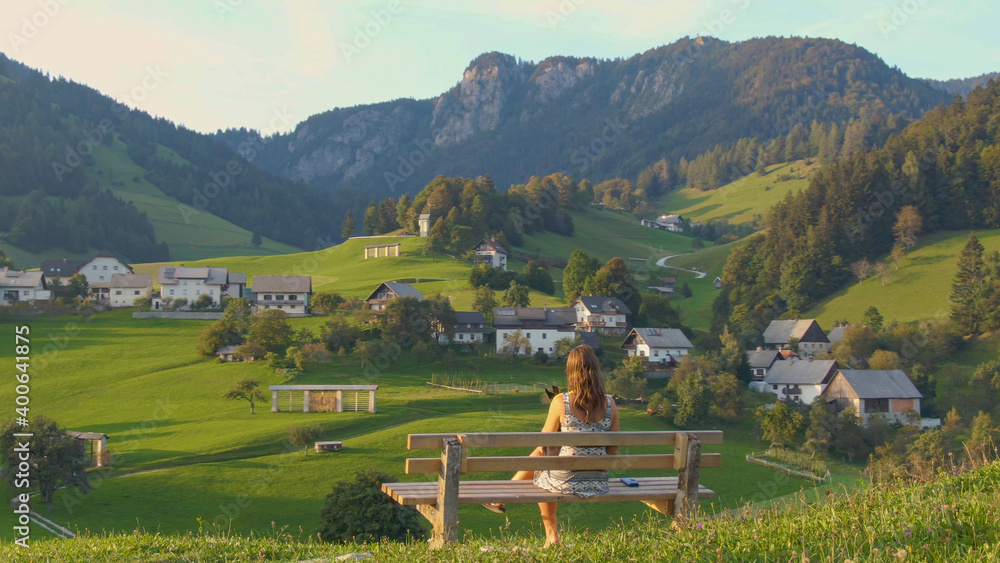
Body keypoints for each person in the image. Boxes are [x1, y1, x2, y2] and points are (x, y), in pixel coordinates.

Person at [483, 344, 619, 547]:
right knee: (544, 462)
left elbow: (544, 444)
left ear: (571, 371)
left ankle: (551, 536)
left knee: (541, 465)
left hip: (566, 479)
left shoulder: (561, 401)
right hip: (598, 480)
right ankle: (502, 498)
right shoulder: (610, 403)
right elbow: (613, 450)